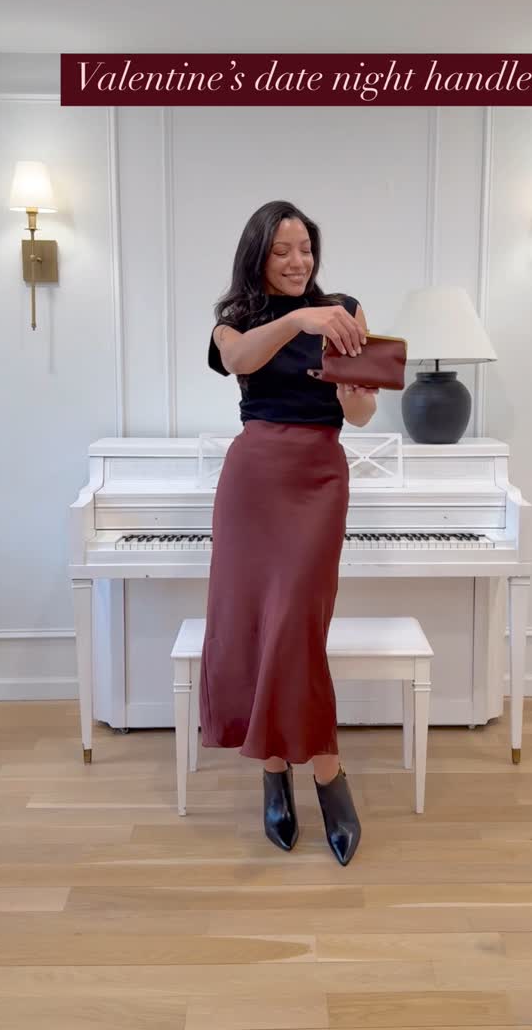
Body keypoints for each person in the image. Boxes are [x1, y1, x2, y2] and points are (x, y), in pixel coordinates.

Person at [200, 199, 379, 866]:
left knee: (298, 623)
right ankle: (275, 768)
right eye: (282, 250)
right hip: (253, 480)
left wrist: (354, 392)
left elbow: (362, 414)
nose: (298, 260)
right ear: (258, 257)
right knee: (256, 625)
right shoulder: (235, 320)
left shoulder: (345, 310)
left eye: (305, 248)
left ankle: (326, 771)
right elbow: (240, 360)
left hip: (318, 478)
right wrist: (301, 319)